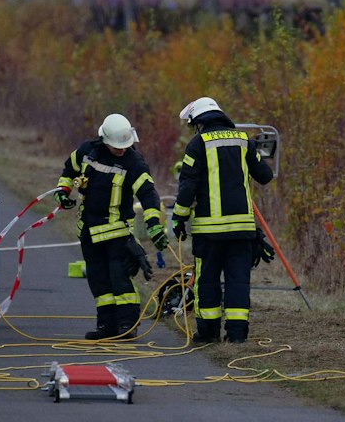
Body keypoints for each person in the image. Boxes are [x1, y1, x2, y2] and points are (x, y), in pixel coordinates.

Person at [172, 96, 274, 344]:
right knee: (238, 280)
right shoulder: (244, 141)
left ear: (199, 121)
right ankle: (237, 335)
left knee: (207, 281)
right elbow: (265, 176)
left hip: (209, 231)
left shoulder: (197, 144)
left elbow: (188, 187)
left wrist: (178, 218)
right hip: (242, 230)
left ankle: (208, 333)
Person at [58, 113, 169, 340]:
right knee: (98, 281)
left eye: (125, 145)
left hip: (117, 233)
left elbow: (148, 194)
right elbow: (69, 170)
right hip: (89, 232)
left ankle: (128, 325)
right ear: (104, 139)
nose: (121, 149)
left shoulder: (134, 163)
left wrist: (154, 224)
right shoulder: (87, 152)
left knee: (120, 279)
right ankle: (106, 326)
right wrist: (63, 191)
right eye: (117, 146)